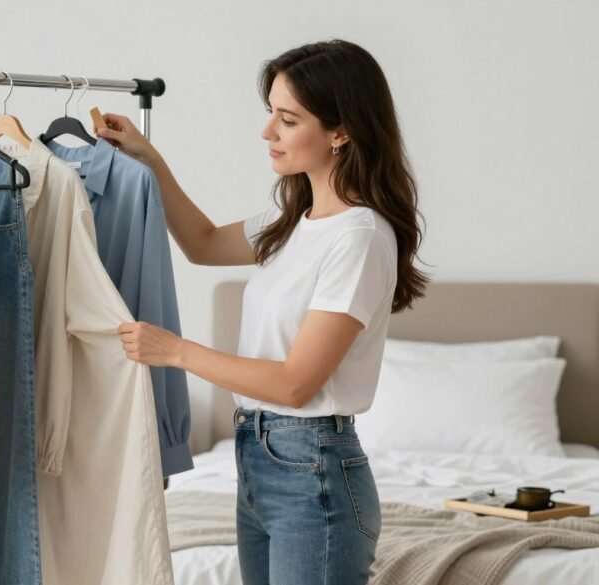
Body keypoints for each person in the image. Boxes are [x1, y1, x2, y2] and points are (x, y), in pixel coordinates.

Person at [99, 39, 429, 585]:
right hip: (258, 459)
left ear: (341, 130)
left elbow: (297, 384)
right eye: (269, 113)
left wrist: (176, 352)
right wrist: (150, 161)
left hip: (312, 468)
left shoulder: (361, 237)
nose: (267, 131)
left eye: (287, 118)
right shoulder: (294, 217)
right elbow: (202, 243)